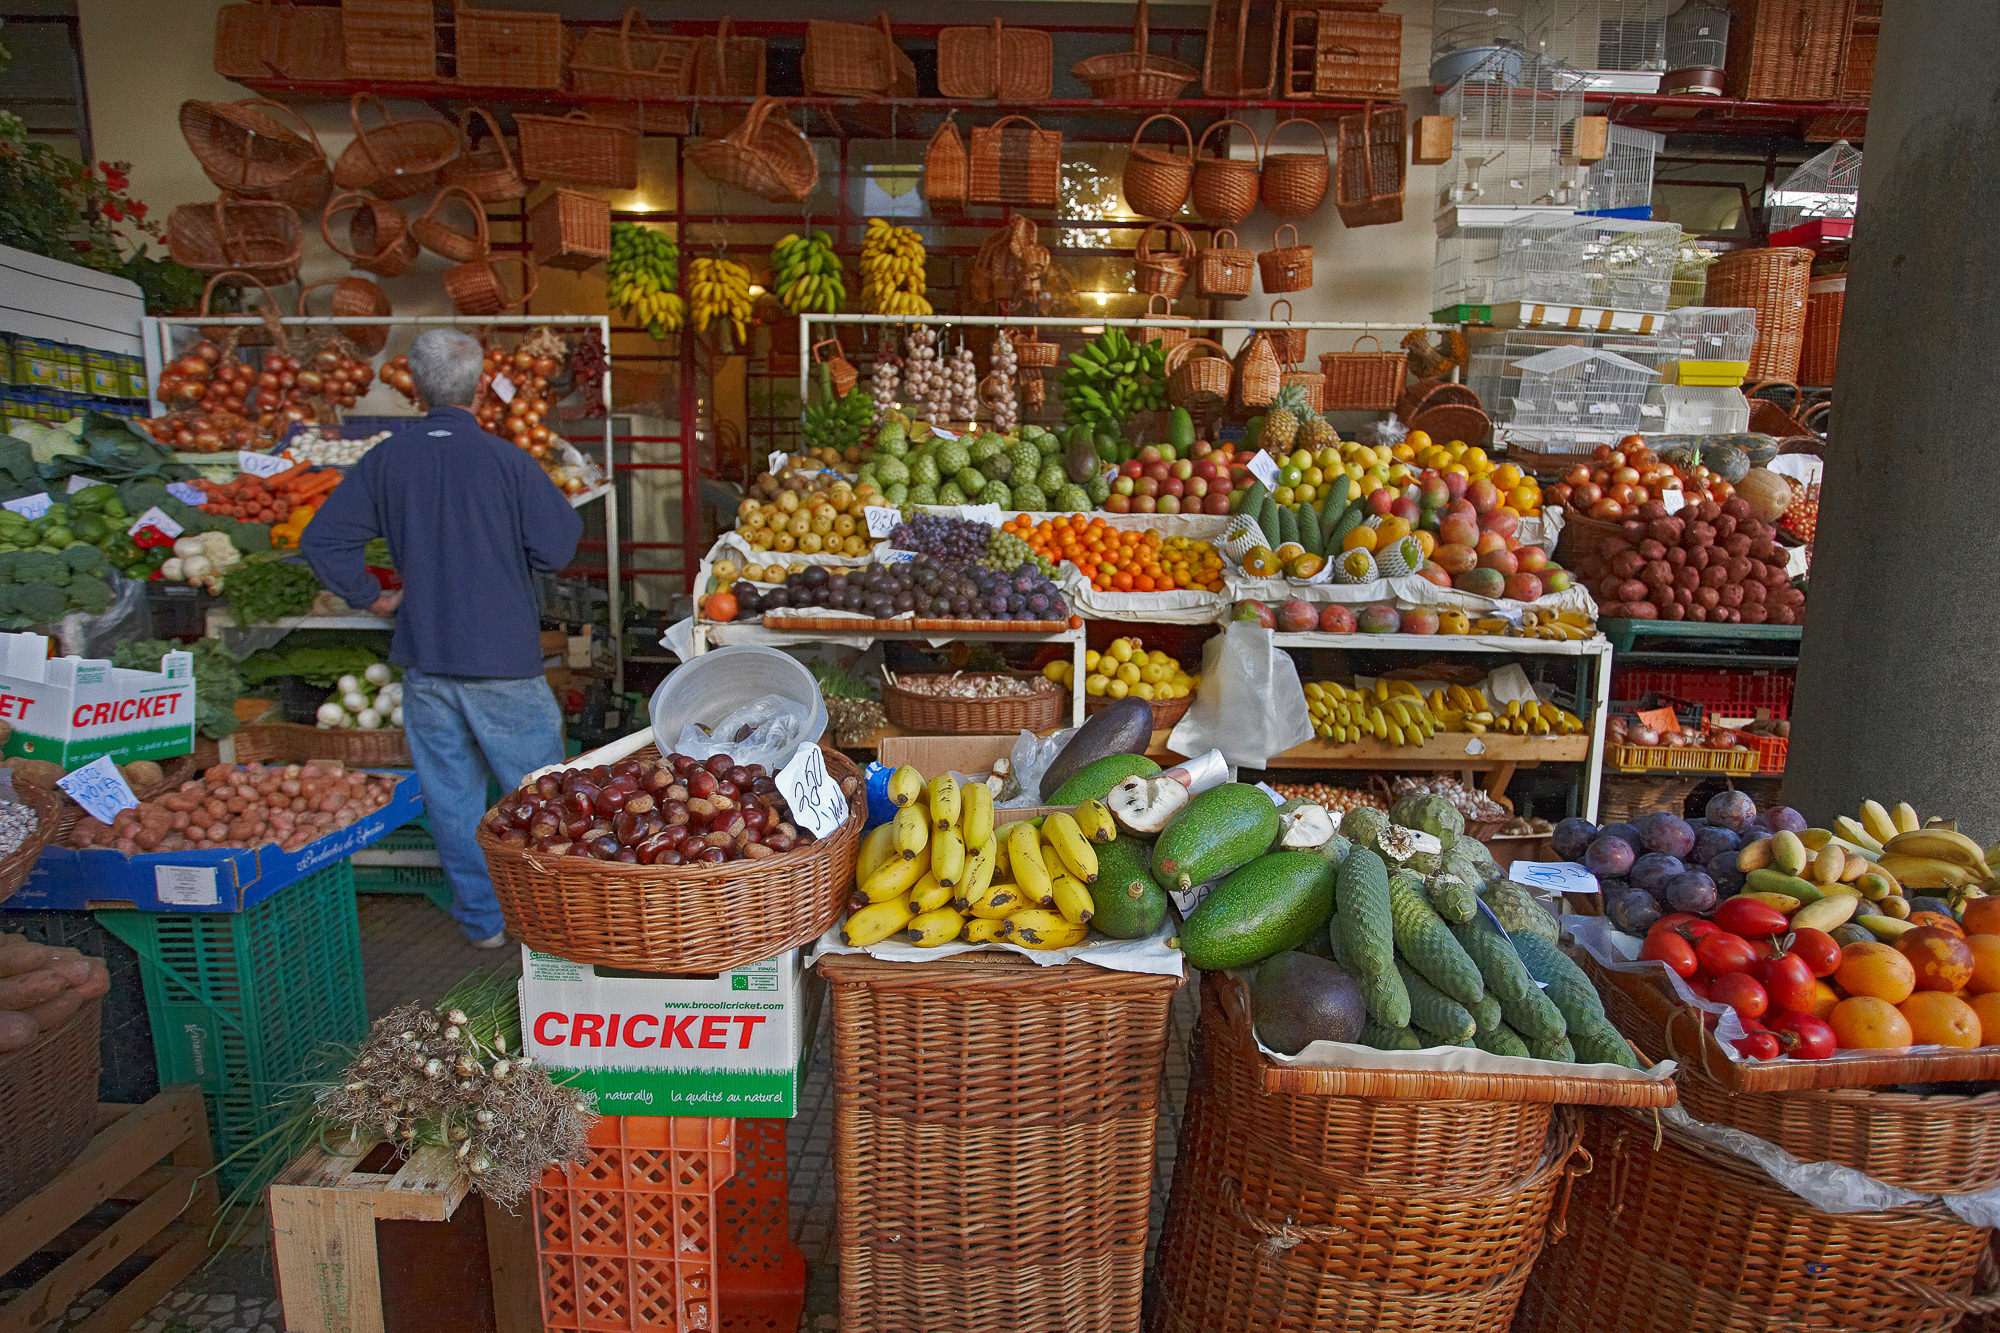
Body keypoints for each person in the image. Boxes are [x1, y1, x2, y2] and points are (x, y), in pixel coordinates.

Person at [301, 329, 582, 948]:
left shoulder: (385, 459)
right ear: (482, 387)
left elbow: (322, 541)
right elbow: (558, 545)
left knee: (452, 800)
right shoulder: (506, 459)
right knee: (542, 797)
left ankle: (484, 923)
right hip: (504, 662)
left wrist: (370, 594)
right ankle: (557, 923)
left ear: (415, 390)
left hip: (426, 659)